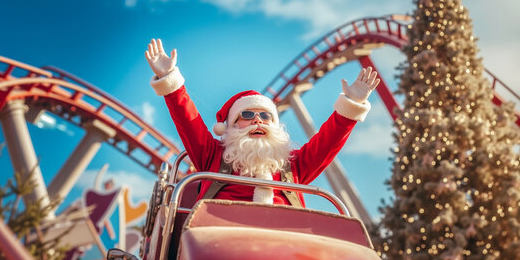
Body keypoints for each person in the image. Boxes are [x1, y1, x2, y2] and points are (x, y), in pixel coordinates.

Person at [145, 38, 379, 207]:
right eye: (247, 116)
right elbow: (188, 121)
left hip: (284, 244)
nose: (258, 120)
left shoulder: (293, 165)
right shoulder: (212, 156)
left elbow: (328, 142)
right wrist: (170, 82)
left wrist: (351, 104)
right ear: (230, 128)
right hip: (219, 240)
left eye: (266, 116)